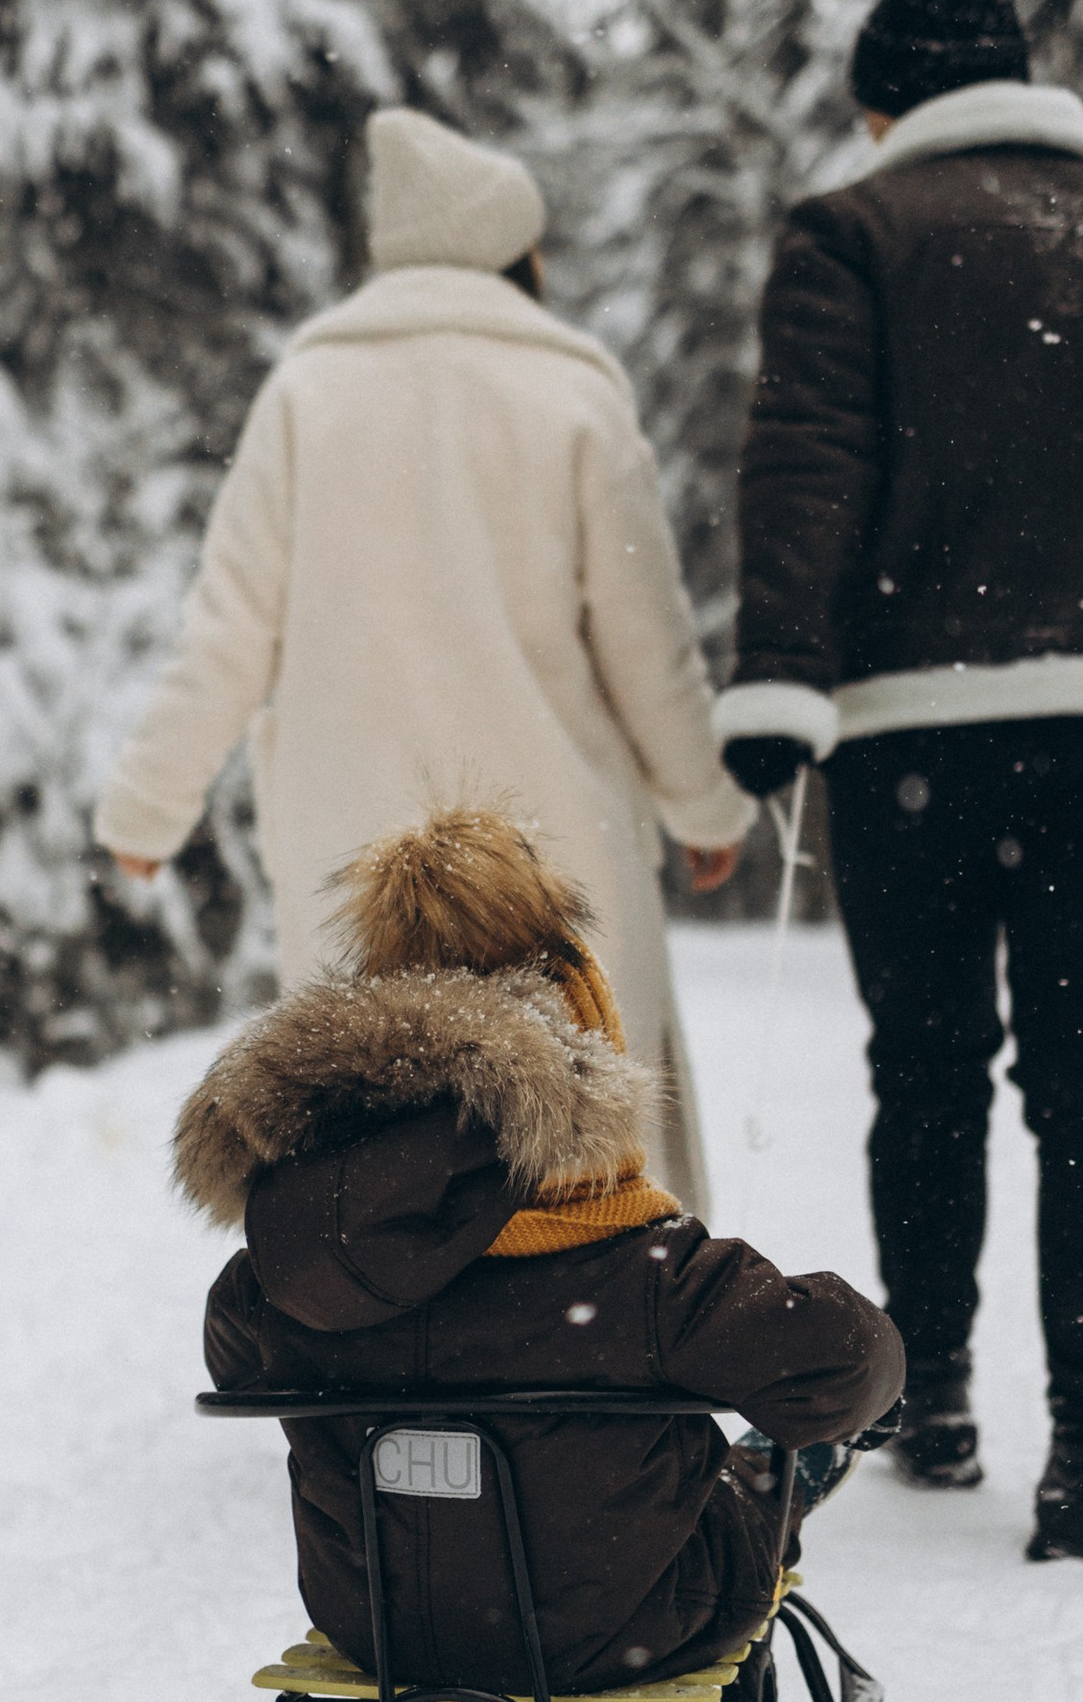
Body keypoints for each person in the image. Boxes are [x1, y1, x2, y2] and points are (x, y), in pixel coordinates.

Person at [712, 0, 1083, 1561]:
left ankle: (932, 1395)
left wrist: (781, 676)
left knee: (929, 1068)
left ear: (887, 105)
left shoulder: (854, 232)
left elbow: (806, 458)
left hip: (914, 731)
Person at [98, 105, 750, 1216]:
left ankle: (388, 1312)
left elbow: (227, 632)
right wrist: (703, 805)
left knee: (379, 1152)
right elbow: (649, 642)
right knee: (581, 1145)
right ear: (513, 251)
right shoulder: (572, 392)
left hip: (360, 874)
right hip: (549, 860)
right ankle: (604, 1307)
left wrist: (147, 809)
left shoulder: (307, 395)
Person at [176, 808, 902, 1690]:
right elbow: (841, 1366)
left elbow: (239, 1364)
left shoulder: (294, 1268)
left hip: (378, 1623)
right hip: (634, 1624)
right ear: (584, 1066)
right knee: (772, 1461)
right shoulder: (650, 1276)